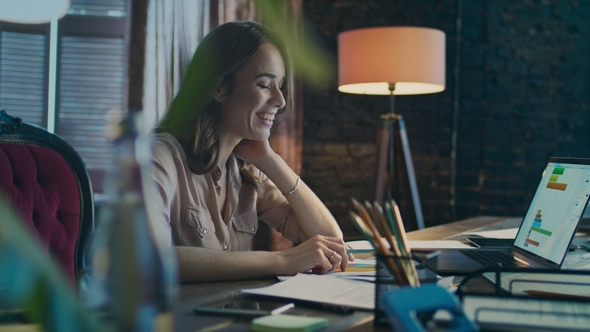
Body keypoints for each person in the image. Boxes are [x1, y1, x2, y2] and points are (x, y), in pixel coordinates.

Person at [149, 21, 352, 283]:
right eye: (265, 85)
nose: (280, 100)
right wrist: (282, 260)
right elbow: (150, 259)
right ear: (219, 87)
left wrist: (270, 159)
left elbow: (332, 242)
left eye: (281, 85)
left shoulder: (247, 170)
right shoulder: (159, 157)